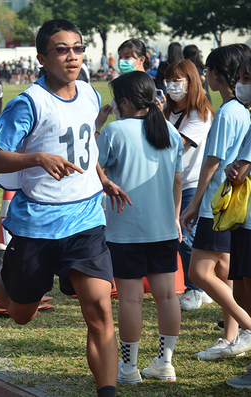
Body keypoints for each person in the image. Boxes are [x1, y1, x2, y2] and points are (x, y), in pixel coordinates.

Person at [0, 19, 130, 397]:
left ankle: (107, 392)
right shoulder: (29, 103)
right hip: (37, 225)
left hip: (86, 220)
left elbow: (85, 144)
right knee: (21, 314)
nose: (72, 56)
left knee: (100, 311)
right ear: (43, 57)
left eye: (77, 48)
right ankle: (1, 270)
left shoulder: (91, 95)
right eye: (62, 50)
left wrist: (102, 178)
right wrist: (37, 158)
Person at [97, 71, 184, 384]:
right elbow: (177, 181)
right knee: (167, 297)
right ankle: (165, 362)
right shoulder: (170, 132)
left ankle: (129, 367)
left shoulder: (115, 131)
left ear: (123, 100)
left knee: (131, 299)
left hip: (125, 229)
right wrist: (173, 218)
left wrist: (97, 125)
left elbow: (92, 166)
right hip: (163, 228)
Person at [181, 45, 251, 361]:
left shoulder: (226, 112)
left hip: (218, 204)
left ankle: (247, 328)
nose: (205, 75)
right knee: (225, 270)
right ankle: (230, 337)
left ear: (219, 74)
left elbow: (212, 161)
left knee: (199, 272)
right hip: (235, 205)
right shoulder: (242, 110)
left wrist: (195, 203)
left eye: (208, 70)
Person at [162, 60, 215, 312]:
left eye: (178, 81)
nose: (172, 86)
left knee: (187, 237)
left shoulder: (200, 114)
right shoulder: (166, 111)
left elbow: (175, 145)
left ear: (191, 82)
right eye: (169, 81)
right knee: (175, 235)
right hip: (168, 182)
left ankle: (196, 289)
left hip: (191, 183)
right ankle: (200, 289)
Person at [223, 56, 251, 389]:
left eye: (246, 77)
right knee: (243, 290)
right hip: (243, 221)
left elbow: (240, 171)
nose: (242, 84)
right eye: (241, 77)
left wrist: (235, 169)